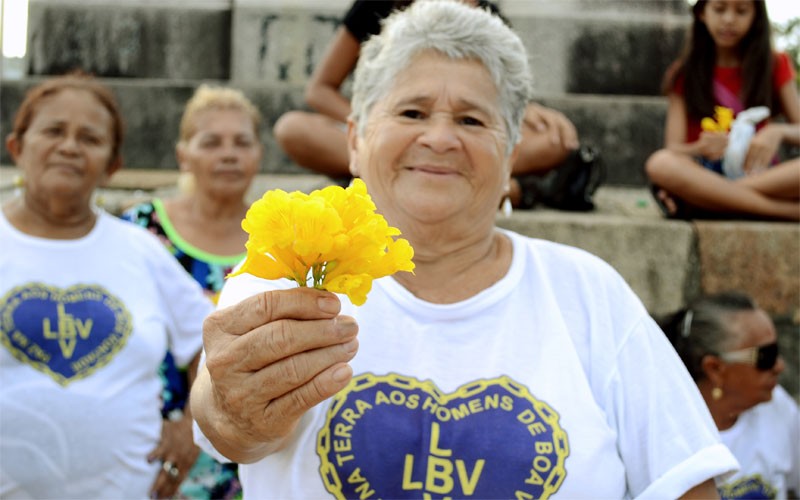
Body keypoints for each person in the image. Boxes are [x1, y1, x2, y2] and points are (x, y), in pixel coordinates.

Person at [191, 2, 738, 497]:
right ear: (354, 139)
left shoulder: (589, 291)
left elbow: (685, 483)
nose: (439, 138)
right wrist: (235, 408)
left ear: (512, 156)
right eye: (412, 113)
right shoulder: (290, 268)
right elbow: (224, 424)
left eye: (472, 120)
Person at [0, 73, 213, 499]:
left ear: (112, 166)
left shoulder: (142, 251)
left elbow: (213, 343)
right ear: (17, 147)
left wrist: (193, 426)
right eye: (54, 131)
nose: (69, 147)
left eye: (90, 138)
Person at [272, 0, 581, 209]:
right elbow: (319, 90)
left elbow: (497, 96)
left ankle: (385, 178)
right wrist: (381, 125)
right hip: (384, 133)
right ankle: (384, 170)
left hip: (460, 140)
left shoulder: (489, 17)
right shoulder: (376, 5)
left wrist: (524, 109)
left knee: (554, 140)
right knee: (292, 129)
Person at [122, 84, 262, 498]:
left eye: (242, 142)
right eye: (211, 142)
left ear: (259, 154)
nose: (229, 154)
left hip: (247, 447)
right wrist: (179, 422)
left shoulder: (279, 240)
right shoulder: (142, 228)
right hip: (150, 439)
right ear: (183, 154)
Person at [645, 0, 800, 221]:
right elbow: (673, 148)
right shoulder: (684, 73)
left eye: (741, 11)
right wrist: (700, 148)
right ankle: (786, 211)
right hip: (704, 173)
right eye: (719, 9)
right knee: (660, 163)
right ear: (702, 13)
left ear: (755, 16)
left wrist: (778, 132)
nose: (728, 19)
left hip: (762, 176)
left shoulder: (775, 64)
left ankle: (712, 200)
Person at [658, 292, 799, 498]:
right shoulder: (668, 436)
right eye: (765, 357)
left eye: (777, 351)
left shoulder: (778, 408)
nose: (779, 366)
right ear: (714, 368)